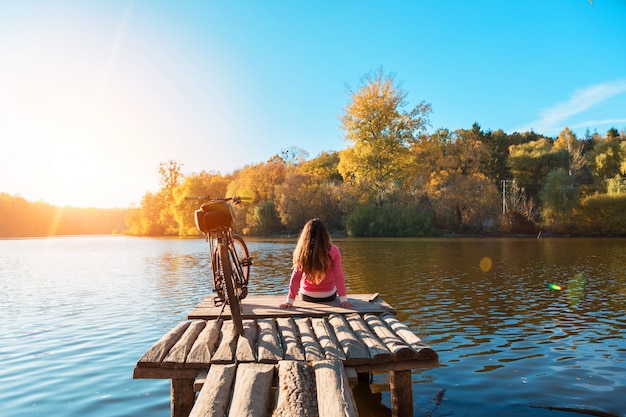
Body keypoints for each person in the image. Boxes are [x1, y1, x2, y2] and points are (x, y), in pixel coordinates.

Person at [279, 218, 353, 309]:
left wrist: (289, 301)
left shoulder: (302, 251)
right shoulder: (334, 251)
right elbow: (339, 276)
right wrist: (343, 299)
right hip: (328, 296)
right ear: (325, 235)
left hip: (307, 295)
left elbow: (295, 277)